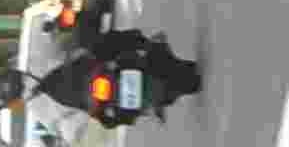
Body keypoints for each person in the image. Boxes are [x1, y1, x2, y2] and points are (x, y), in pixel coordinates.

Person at [27, 26, 200, 127]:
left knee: (109, 44)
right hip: (98, 91)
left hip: (98, 80)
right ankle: (145, 108)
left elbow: (73, 54)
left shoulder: (45, 66)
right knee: (111, 118)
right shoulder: (47, 105)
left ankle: (149, 45)